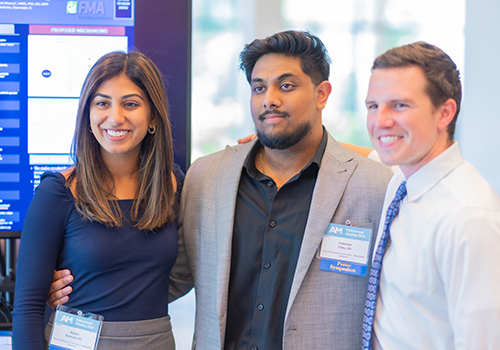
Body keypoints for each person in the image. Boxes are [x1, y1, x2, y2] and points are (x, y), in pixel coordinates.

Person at [48, 31, 393, 349]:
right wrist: (80, 287)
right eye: (258, 88)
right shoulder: (206, 178)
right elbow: (167, 273)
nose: (269, 100)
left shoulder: (373, 186)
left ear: (321, 94)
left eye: (286, 86)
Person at [12, 51, 184, 349]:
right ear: (87, 114)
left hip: (155, 341)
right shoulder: (58, 191)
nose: (115, 117)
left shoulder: (172, 183)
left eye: (130, 104)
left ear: (153, 115)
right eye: (102, 103)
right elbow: (27, 307)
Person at [362, 42, 500, 349]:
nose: (380, 121)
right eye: (373, 106)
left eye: (399, 105)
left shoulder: (468, 217)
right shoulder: (402, 177)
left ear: (445, 113)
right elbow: (369, 151)